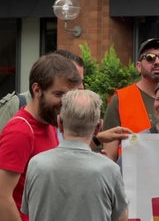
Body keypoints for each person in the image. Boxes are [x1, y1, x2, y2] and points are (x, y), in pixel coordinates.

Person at [21, 89, 129, 221]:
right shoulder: (110, 170)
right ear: (98, 127)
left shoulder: (36, 164)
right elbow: (121, 218)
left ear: (60, 122)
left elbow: (28, 210)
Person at [0, 53, 82, 220]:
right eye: (59, 94)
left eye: (70, 95)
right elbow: (2, 197)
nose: (65, 102)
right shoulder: (21, 131)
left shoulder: (49, 122)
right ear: (36, 90)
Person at [102, 37, 159, 161]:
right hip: (131, 177)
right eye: (150, 57)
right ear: (138, 66)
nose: (157, 62)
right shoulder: (120, 99)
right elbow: (109, 156)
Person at [0, 49, 85, 130]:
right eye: (72, 79)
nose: (81, 87)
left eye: (78, 81)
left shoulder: (67, 111)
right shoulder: (16, 105)